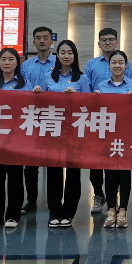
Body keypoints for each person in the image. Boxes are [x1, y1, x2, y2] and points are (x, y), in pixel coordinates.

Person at [34, 39, 90, 228]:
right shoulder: (48, 77)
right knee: (54, 172)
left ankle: (69, 212)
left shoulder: (82, 78)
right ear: (57, 55)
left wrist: (77, 97)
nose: (66, 56)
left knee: (73, 172)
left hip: (74, 131)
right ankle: (54, 211)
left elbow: (89, 104)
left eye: (70, 53)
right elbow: (39, 103)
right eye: (63, 52)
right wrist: (38, 92)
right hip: (53, 129)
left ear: (75, 56)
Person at [0, 48, 32, 230]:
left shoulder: (25, 84)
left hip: (16, 137)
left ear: (17, 63)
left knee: (15, 177)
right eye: (3, 59)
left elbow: (29, 108)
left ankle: (13, 215)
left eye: (11, 59)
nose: (7, 62)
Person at [84, 28, 132, 214]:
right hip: (101, 123)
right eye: (103, 40)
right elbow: (87, 90)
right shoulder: (91, 65)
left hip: (123, 126)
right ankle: (99, 194)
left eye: (111, 39)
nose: (107, 42)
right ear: (99, 43)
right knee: (97, 163)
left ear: (116, 42)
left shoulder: (127, 66)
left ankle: (120, 205)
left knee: (120, 166)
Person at [94, 50, 132, 229]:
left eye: (121, 62)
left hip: (127, 135)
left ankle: (123, 210)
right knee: (110, 173)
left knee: (124, 174)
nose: (117, 65)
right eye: (114, 62)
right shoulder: (101, 86)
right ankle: (111, 209)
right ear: (109, 66)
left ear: (126, 66)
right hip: (107, 135)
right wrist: (96, 100)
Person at [20, 26, 56, 216]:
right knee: (30, 162)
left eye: (45, 38)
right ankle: (31, 200)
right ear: (33, 42)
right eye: (38, 38)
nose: (42, 41)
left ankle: (53, 201)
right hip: (31, 116)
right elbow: (20, 87)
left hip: (53, 117)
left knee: (52, 161)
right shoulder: (26, 65)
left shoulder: (59, 62)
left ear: (51, 41)